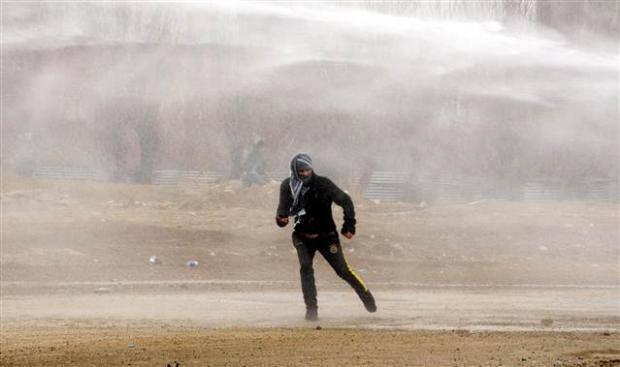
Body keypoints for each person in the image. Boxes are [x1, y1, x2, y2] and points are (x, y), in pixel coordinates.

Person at [276, 153, 377, 321]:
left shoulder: (323, 184)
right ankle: (311, 310)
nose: (305, 174)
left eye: (307, 170)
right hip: (302, 236)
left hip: (326, 236)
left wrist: (349, 226)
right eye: (301, 172)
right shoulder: (288, 186)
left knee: (343, 271)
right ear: (294, 171)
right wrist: (281, 219)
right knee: (305, 267)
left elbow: (346, 200)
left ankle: (368, 298)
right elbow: (282, 211)